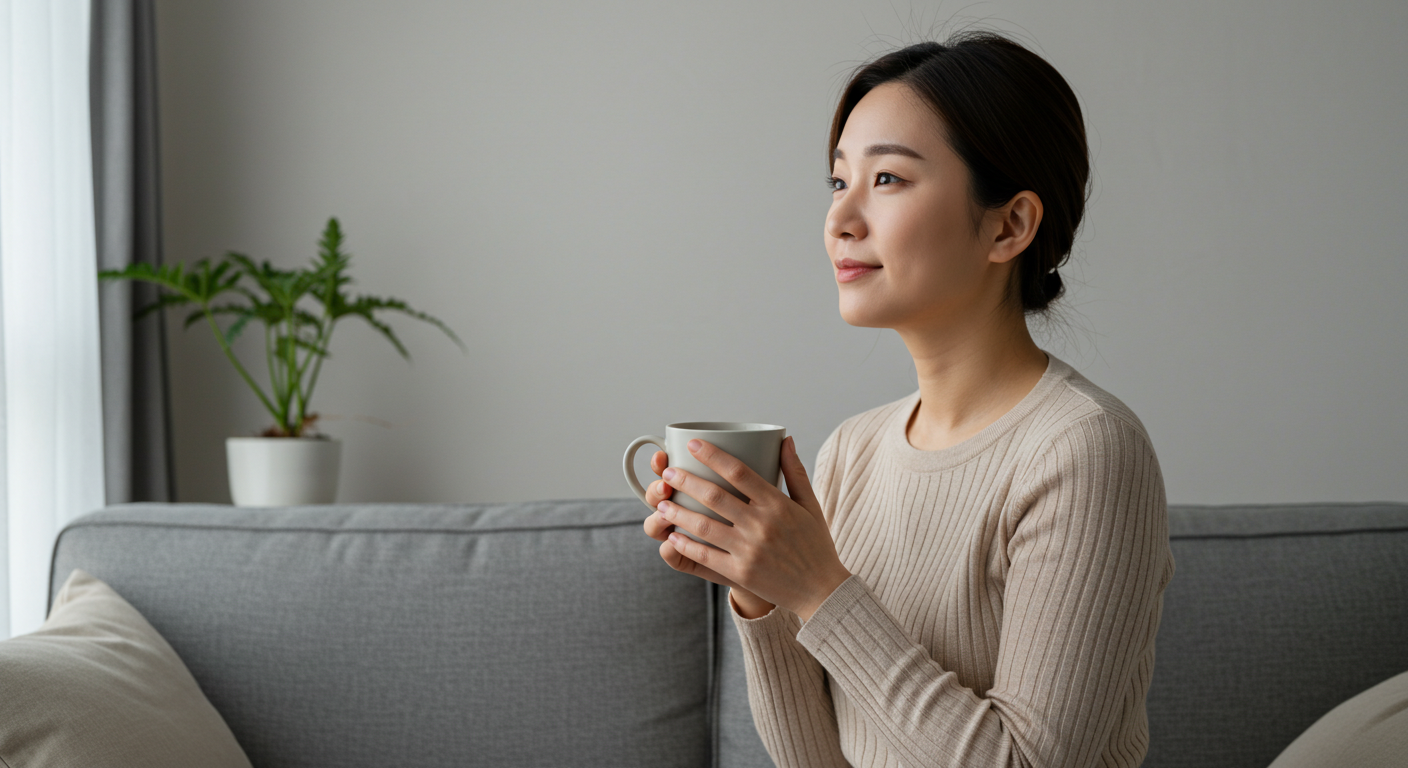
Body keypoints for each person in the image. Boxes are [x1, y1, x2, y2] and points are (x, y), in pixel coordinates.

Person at [641, 30, 1174, 768]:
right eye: (838, 182)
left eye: (887, 179)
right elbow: (818, 762)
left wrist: (822, 590)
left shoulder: (1085, 448)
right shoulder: (854, 450)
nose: (840, 220)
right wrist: (761, 594)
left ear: (1009, 224)